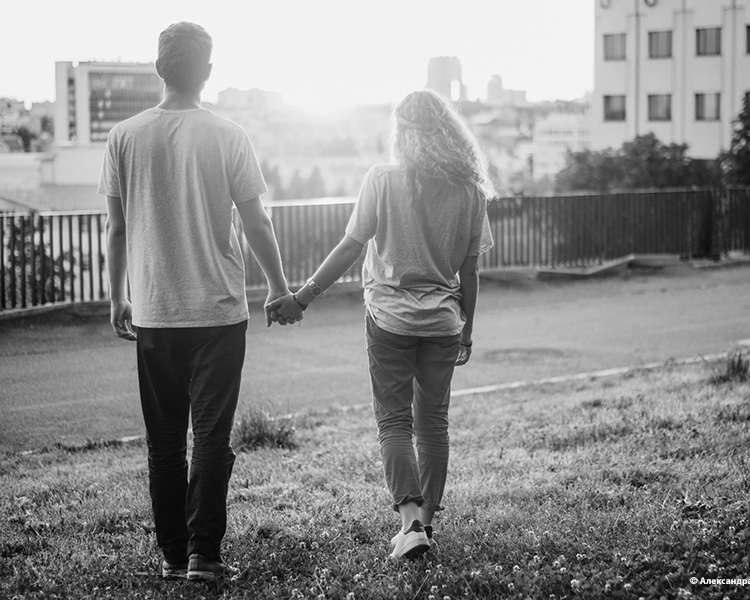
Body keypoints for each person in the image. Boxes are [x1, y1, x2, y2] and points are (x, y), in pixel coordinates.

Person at [100, 22, 298, 581]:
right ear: (207, 72)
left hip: (155, 310)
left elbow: (116, 230)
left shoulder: (124, 136)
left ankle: (170, 556)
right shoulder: (229, 135)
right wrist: (279, 288)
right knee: (211, 437)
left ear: (158, 69)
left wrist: (118, 298)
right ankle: (203, 557)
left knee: (164, 443)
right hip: (217, 313)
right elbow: (256, 221)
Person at [269, 89, 495, 559]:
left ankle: (410, 524)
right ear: (450, 131)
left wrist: (303, 297)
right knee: (433, 424)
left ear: (401, 132)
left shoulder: (382, 179)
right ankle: (424, 528)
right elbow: (469, 270)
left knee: (394, 421)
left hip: (389, 319)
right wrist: (467, 330)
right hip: (443, 322)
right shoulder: (470, 190)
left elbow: (351, 246)